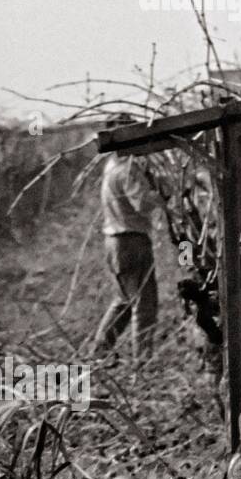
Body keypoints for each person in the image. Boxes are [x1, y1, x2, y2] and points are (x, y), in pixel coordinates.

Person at [95, 148, 160, 356]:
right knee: (144, 306)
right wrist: (160, 193)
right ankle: (142, 362)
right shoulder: (127, 170)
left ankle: (99, 351)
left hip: (114, 241)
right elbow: (142, 204)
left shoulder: (111, 167)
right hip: (132, 241)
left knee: (123, 301)